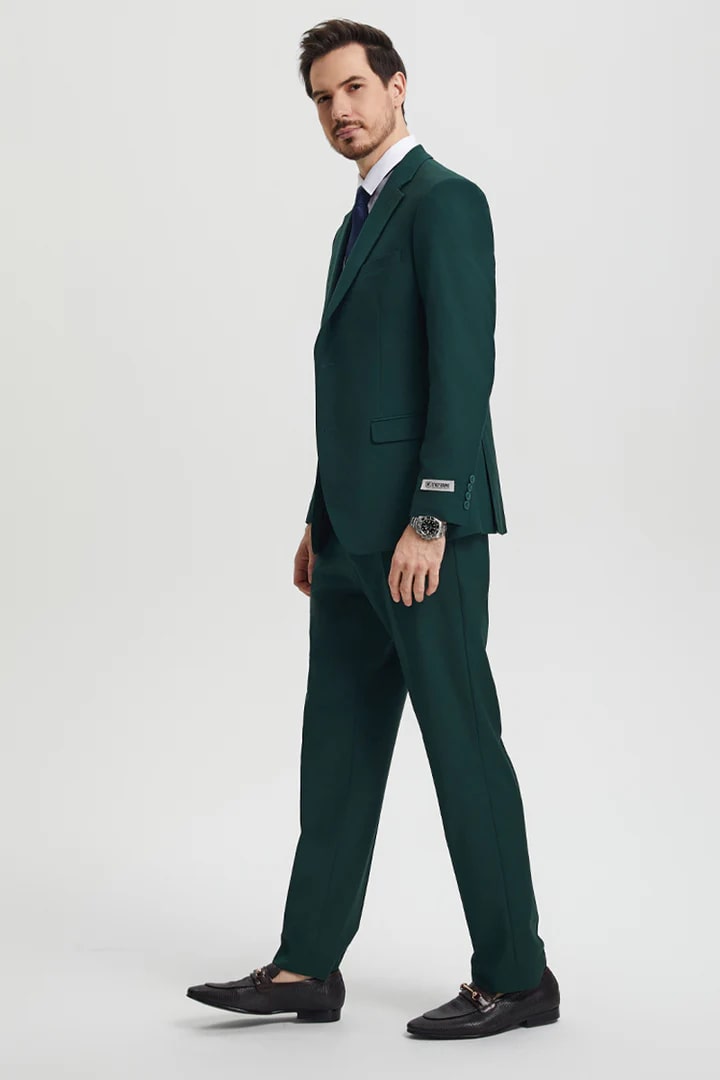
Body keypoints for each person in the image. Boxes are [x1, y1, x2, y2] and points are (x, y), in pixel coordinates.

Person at [187, 17, 560, 1039]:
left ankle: (517, 975)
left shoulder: (444, 202)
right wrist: (319, 518)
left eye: (353, 87)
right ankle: (306, 966)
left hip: (422, 539)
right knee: (338, 749)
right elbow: (358, 393)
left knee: (461, 747)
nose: (338, 109)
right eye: (321, 97)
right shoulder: (356, 221)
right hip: (352, 539)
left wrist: (432, 516)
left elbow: (462, 373)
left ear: (398, 85)